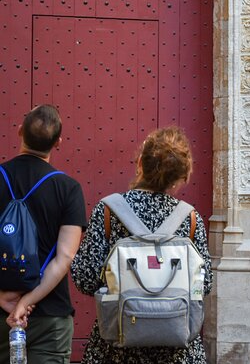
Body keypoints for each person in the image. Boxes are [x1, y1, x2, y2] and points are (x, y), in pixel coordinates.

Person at [71, 126, 212, 364]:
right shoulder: (189, 218)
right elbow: (204, 284)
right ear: (182, 178)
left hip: (117, 349)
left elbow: (85, 279)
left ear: (140, 164)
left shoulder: (108, 211)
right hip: (177, 353)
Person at [0, 104, 87, 363]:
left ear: (19, 132)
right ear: (58, 142)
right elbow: (64, 258)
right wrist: (26, 302)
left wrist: (4, 299)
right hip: (50, 319)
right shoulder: (69, 189)